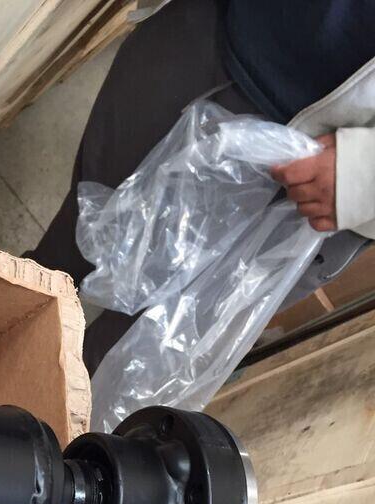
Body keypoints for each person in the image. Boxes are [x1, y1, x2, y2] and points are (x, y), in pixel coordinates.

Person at [29, 0, 375, 374]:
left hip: (320, 188)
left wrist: (365, 175)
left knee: (140, 348)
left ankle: (28, 402)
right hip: (232, 35)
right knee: (66, 251)